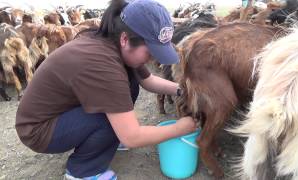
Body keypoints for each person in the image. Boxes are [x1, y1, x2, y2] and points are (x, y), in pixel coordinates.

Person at [15, 0, 197, 179]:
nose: (152, 59)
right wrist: (180, 128)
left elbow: (147, 80)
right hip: (38, 130)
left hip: (62, 112)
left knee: (129, 85)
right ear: (125, 39)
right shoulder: (102, 63)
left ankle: (105, 140)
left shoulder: (114, 43)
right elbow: (131, 137)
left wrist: (183, 90)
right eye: (150, 52)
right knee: (109, 119)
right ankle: (82, 172)